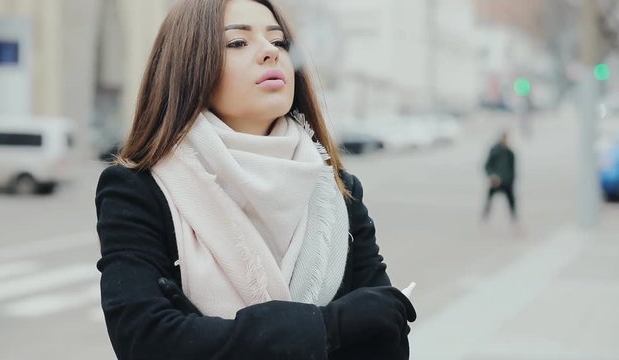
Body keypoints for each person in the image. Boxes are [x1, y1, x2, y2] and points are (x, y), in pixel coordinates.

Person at [94, 1, 416, 359]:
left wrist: (207, 331)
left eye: (279, 42)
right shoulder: (139, 189)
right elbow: (146, 340)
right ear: (188, 64)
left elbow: (386, 337)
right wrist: (331, 327)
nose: (269, 53)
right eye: (237, 43)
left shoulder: (337, 190)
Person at [482, 132, 517, 222]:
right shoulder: (495, 151)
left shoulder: (510, 153)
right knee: (489, 200)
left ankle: (514, 220)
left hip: (507, 182)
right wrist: (493, 175)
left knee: (511, 201)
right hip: (496, 181)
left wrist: (511, 180)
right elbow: (487, 166)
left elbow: (513, 169)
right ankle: (485, 219)